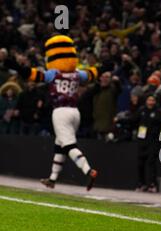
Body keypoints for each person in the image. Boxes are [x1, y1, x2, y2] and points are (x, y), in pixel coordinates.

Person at [5, 35, 99, 190]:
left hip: (60, 111)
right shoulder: (77, 73)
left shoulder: (54, 73)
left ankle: (88, 170)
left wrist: (15, 66)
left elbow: (32, 74)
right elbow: (92, 74)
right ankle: (52, 178)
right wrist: (107, 66)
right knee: (60, 145)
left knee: (69, 146)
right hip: (75, 112)